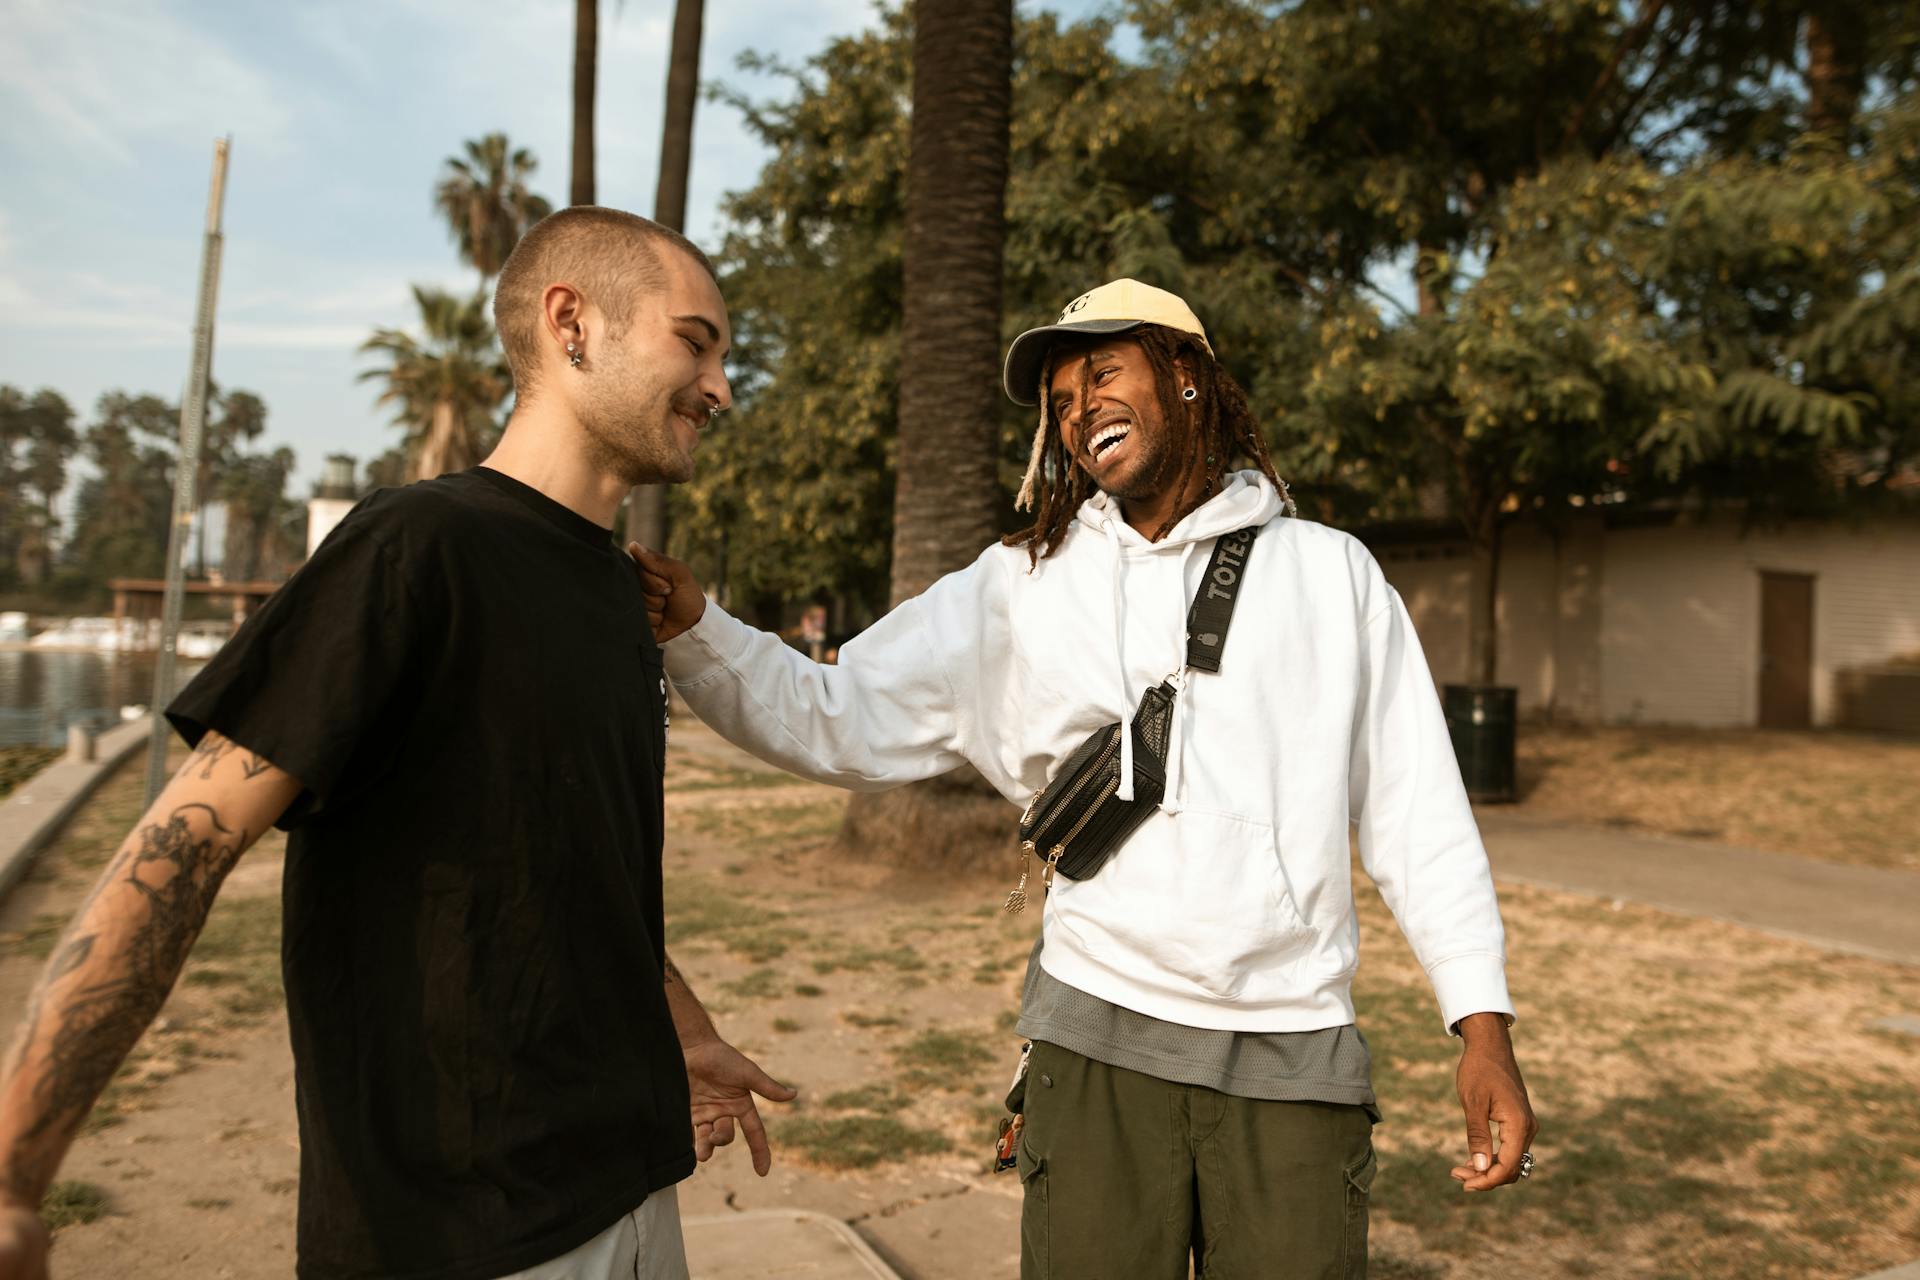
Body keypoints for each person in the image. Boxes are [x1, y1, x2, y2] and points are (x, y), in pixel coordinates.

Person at [637, 279, 1537, 1278]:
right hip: (1096, 1038)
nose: (1079, 410)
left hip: (1293, 1047)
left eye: (1104, 371)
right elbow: (836, 712)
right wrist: (698, 628)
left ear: (1188, 375)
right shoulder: (1017, 584)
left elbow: (1418, 813)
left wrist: (1481, 1024)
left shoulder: (1333, 573)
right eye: (1061, 400)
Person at [0, 206, 795, 1280]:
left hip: (631, 1186)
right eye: (694, 341)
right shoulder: (417, 545)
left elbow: (553, 850)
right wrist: (14, 1170)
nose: (721, 387)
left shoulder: (620, 591)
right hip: (459, 1234)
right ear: (572, 323)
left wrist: (680, 1026)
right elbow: (178, 851)